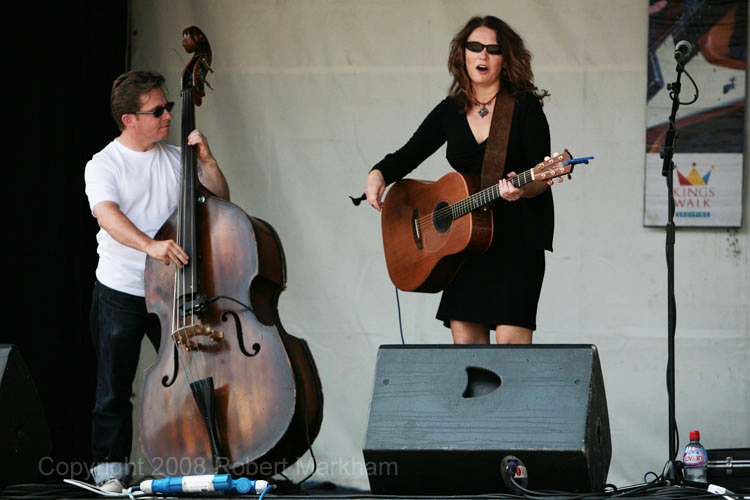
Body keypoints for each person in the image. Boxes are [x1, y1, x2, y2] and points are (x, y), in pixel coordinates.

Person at [364, 16, 553, 346]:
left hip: (516, 241)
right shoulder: (450, 111)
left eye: (493, 50)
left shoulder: (524, 107)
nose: (483, 56)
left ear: (505, 58)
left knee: (512, 347)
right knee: (466, 347)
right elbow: (409, 154)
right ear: (462, 54)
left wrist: (521, 189)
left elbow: (542, 175)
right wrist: (377, 174)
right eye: (475, 47)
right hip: (465, 243)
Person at [84, 70, 230, 492]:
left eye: (168, 106)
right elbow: (107, 215)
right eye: (158, 110)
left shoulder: (174, 158)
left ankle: (198, 468)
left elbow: (220, 203)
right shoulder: (104, 164)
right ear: (129, 119)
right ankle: (111, 473)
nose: (169, 115)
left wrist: (208, 162)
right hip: (121, 289)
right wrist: (149, 245)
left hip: (172, 292)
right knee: (114, 386)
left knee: (191, 378)